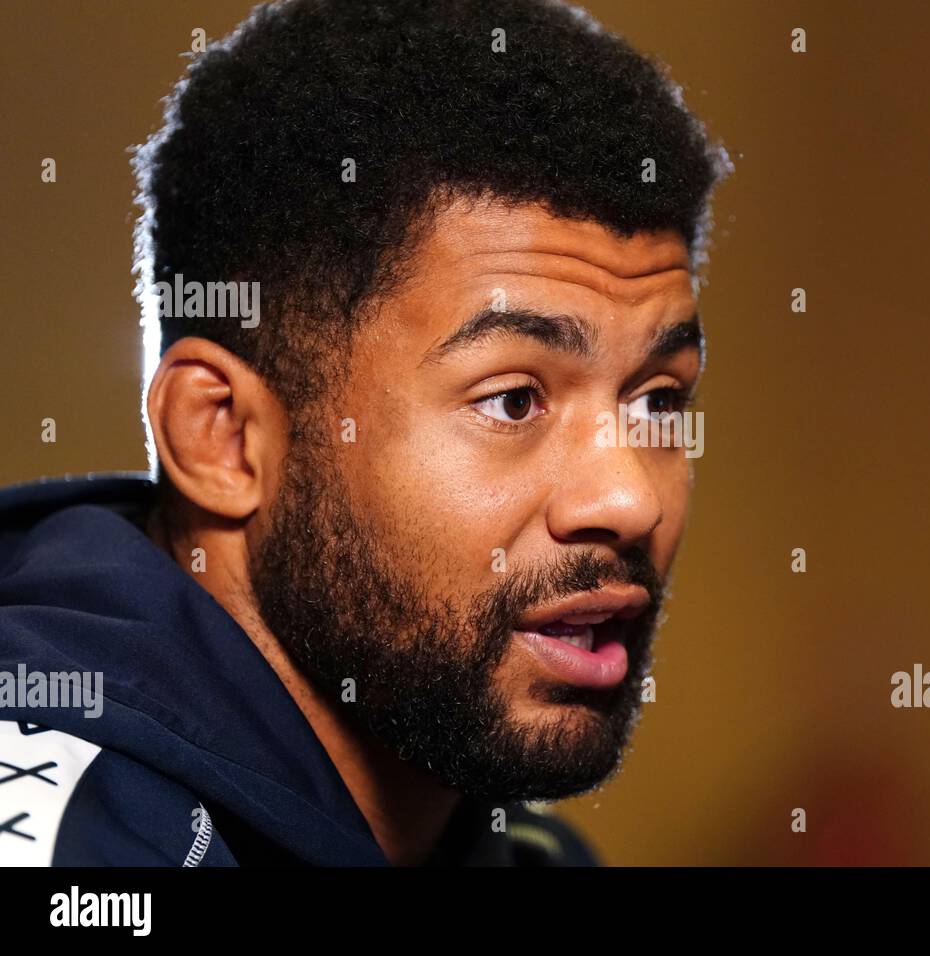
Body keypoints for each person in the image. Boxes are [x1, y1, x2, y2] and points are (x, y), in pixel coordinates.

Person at [0, 0, 729, 866]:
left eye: (656, 401)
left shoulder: (533, 852)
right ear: (223, 438)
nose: (630, 500)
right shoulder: (67, 840)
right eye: (513, 401)